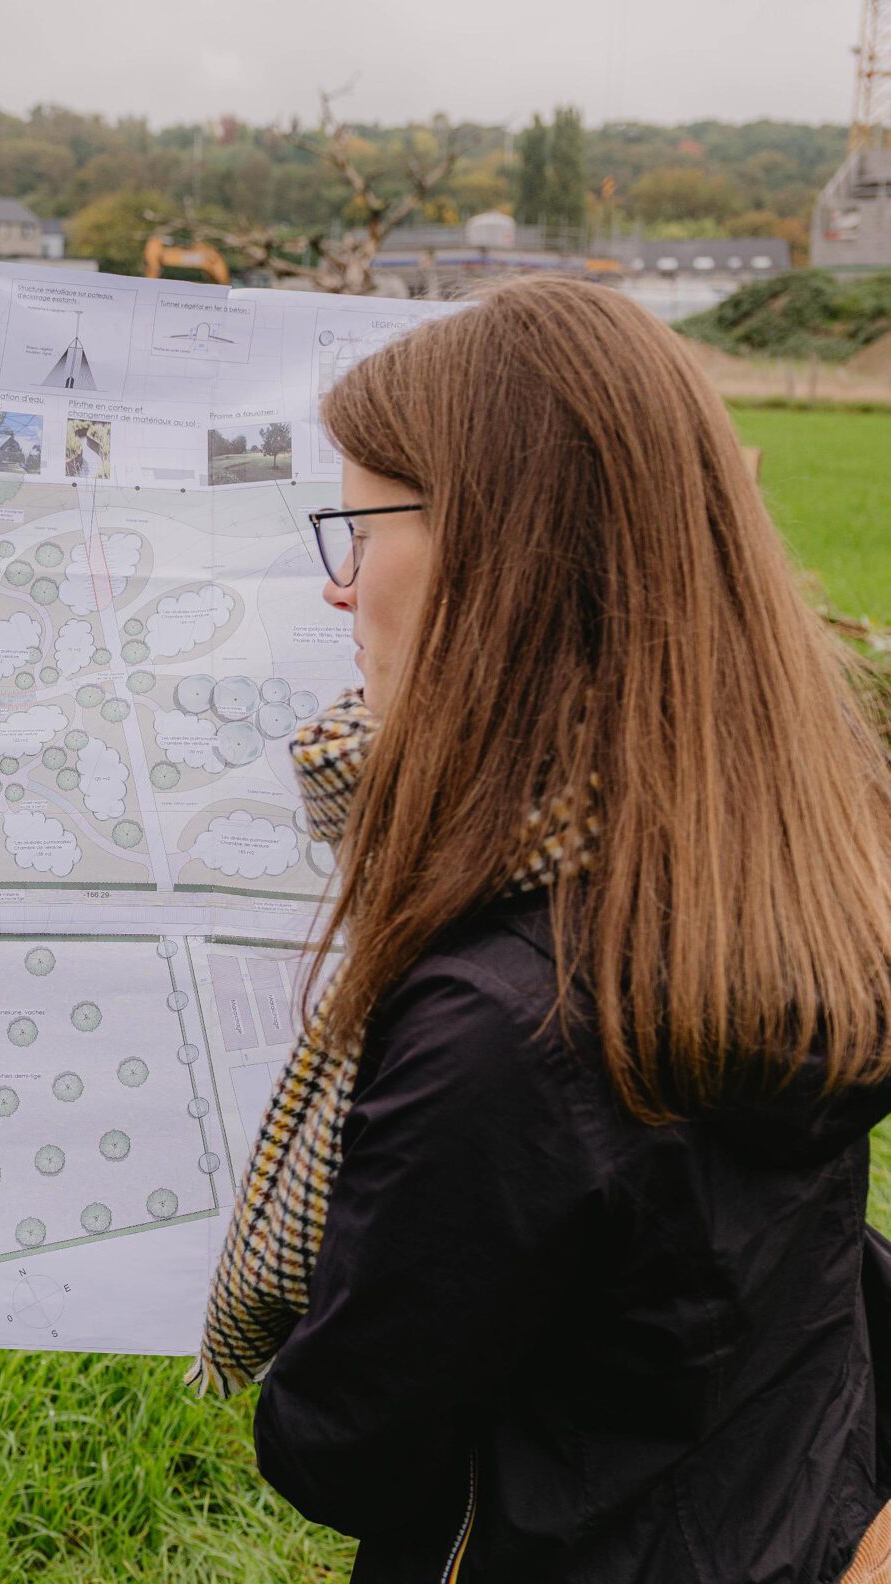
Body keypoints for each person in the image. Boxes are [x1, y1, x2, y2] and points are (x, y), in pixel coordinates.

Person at [194, 275, 891, 1583]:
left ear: (499, 558)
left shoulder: (502, 1021)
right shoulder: (802, 855)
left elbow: (343, 1449)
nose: (343, 591)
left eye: (363, 525)